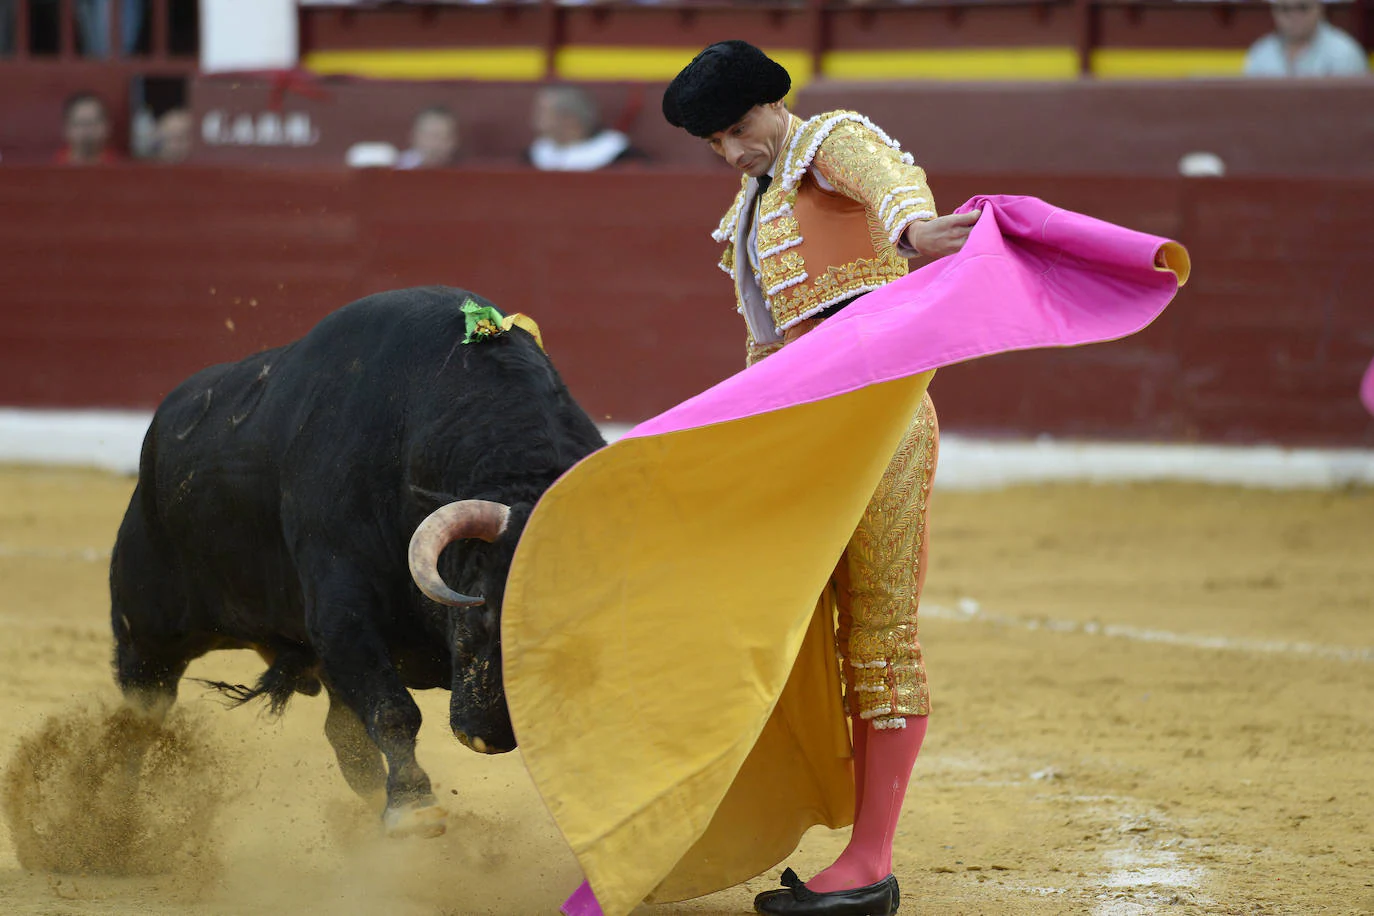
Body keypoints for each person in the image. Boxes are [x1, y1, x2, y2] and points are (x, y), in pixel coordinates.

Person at [527, 84, 646, 171]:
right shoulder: (535, 155)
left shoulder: (622, 158)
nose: (535, 118)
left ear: (570, 120)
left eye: (544, 112)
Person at [1243, 0, 1369, 77]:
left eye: (1302, 7)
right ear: (1274, 11)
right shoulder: (1260, 53)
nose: (1294, 16)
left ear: (1319, 8)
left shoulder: (1344, 53)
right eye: (1285, 9)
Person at [55, 92, 120, 164]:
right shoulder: (53, 166)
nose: (87, 130)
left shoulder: (119, 165)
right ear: (66, 128)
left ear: (107, 127)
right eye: (80, 123)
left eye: (93, 123)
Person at [395, 106, 460, 170]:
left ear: (455, 141)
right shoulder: (396, 168)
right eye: (430, 136)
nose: (436, 145)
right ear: (413, 137)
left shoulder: (463, 171)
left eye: (443, 138)